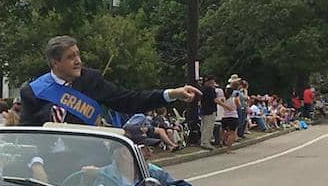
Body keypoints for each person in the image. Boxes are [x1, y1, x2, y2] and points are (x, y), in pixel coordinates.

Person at [19, 36, 201, 126]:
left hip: (85, 164)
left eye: (78, 55)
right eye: (70, 57)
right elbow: (26, 135)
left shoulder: (91, 80)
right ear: (55, 62)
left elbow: (129, 100)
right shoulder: (33, 91)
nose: (78, 61)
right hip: (45, 166)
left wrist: (172, 94)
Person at [220, 76, 241, 153]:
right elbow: (239, 105)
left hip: (225, 116)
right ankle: (229, 148)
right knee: (232, 133)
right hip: (233, 116)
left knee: (223, 130)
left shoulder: (223, 99)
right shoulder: (235, 98)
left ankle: (222, 141)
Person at [199, 75, 217, 150]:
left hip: (204, 109)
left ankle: (203, 140)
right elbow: (214, 99)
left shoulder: (202, 89)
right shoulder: (210, 89)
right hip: (210, 110)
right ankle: (205, 142)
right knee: (208, 127)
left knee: (204, 126)